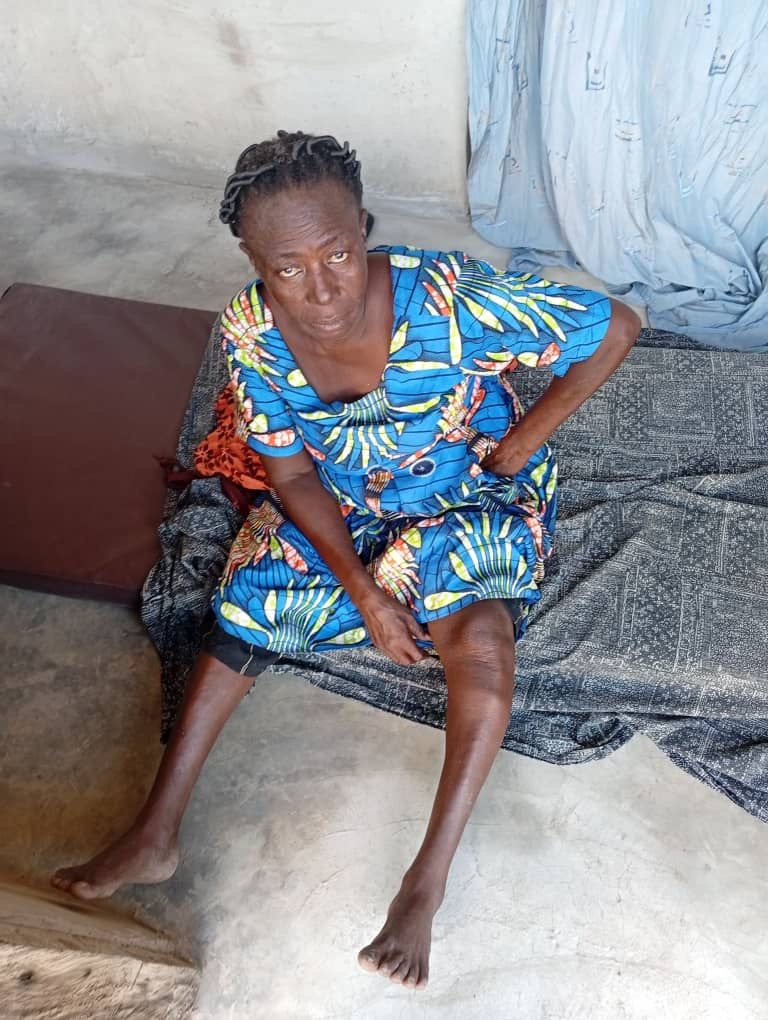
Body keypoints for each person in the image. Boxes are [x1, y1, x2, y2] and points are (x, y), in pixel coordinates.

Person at [52, 130, 639, 988]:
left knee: (480, 639)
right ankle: (156, 831)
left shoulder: (451, 301)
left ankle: (424, 884)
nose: (322, 289)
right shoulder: (250, 330)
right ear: (255, 263)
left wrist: (521, 446)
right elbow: (289, 471)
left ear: (363, 229)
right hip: (343, 495)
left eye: (338, 254)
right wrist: (365, 592)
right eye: (288, 268)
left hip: (465, 491)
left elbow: (615, 326)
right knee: (248, 603)